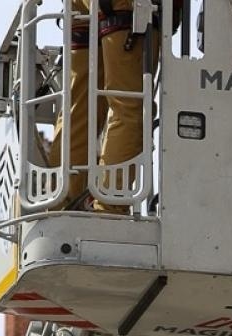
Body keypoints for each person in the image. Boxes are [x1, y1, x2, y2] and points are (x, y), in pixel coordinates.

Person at [45, 0, 153, 213]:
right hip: (125, 6)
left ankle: (61, 201)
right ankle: (109, 205)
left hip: (81, 6)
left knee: (77, 109)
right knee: (129, 105)